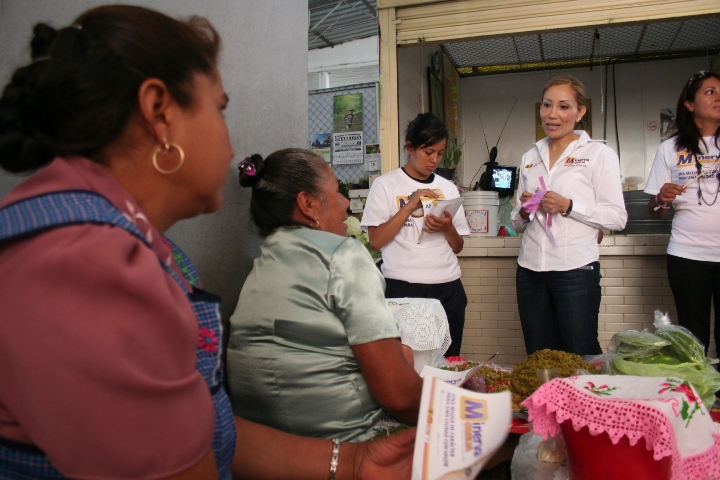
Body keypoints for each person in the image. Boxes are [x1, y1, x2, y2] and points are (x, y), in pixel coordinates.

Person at [0, 6, 414, 479]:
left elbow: (204, 434)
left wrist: (356, 462)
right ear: (160, 112)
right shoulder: (87, 267)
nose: (232, 147)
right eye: (219, 109)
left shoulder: (148, 250)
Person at [227, 149, 423, 442]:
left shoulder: (265, 262)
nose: (346, 203)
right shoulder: (344, 255)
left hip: (264, 448)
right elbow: (401, 396)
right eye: (336, 191)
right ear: (308, 204)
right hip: (344, 446)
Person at [510, 75, 627, 356]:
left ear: (580, 111)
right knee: (539, 355)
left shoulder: (598, 154)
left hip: (575, 271)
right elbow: (516, 223)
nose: (552, 114)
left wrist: (568, 205)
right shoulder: (530, 157)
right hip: (530, 271)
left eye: (563, 106)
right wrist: (525, 210)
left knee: (580, 352)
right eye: (547, 105)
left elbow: (617, 217)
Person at [361, 112, 470, 357]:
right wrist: (409, 206)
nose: (434, 160)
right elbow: (376, 241)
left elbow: (458, 246)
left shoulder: (448, 188)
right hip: (403, 287)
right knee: (407, 363)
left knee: (449, 361)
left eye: (440, 153)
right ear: (410, 148)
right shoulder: (386, 185)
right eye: (428, 152)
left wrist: (447, 228)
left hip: (448, 286)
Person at [645, 70, 720, 355]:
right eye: (710, 92)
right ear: (689, 104)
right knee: (693, 338)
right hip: (688, 255)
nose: (718, 97)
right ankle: (700, 384)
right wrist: (661, 198)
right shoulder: (670, 148)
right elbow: (655, 211)